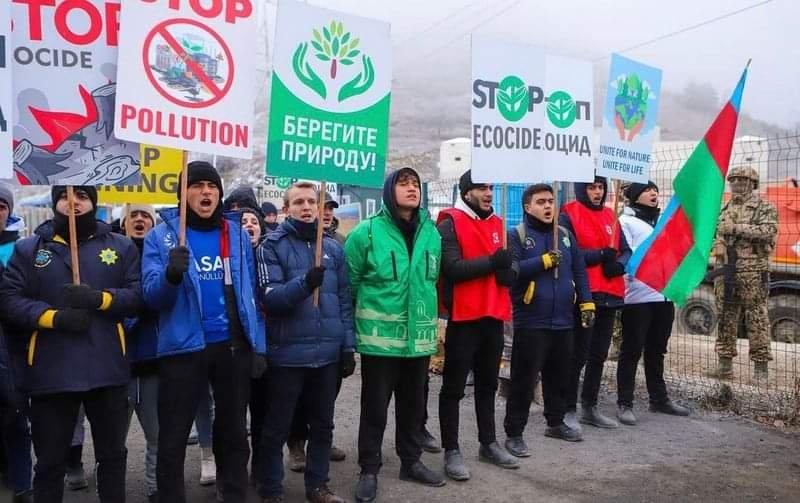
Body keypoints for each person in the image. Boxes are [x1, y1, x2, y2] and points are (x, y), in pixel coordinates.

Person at [0, 185, 142, 502]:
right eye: (65, 196)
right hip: (51, 372)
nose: (73, 202)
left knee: (113, 457)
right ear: (55, 203)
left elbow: (137, 295)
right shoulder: (28, 249)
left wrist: (100, 299)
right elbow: (9, 300)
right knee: (49, 463)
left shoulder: (120, 247)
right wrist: (53, 317)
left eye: (82, 196)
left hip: (107, 368)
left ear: (93, 202)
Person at [141, 161, 266, 503]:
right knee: (173, 436)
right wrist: (170, 275)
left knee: (234, 433)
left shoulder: (236, 234)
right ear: (182, 194)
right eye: (196, 186)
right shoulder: (161, 235)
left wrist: (259, 346)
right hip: (184, 348)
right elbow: (152, 297)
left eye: (212, 186)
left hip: (232, 348)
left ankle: (234, 492)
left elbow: (250, 294)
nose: (206, 192)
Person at [345, 168, 445, 503]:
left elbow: (432, 282)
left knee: (414, 406)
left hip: (418, 340)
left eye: (416, 184)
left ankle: (411, 461)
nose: (412, 189)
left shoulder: (432, 233)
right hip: (380, 341)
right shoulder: (366, 233)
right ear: (390, 191)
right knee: (374, 408)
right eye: (403, 184)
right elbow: (351, 285)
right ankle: (369, 469)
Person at [255, 181, 354, 503]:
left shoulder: (334, 248)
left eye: (312, 201)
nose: (307, 207)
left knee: (323, 427)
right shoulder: (271, 246)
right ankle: (271, 490)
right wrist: (303, 283)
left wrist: (347, 346)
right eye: (298, 202)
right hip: (287, 355)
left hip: (326, 355)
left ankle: (318, 487)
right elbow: (272, 299)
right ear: (286, 208)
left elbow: (343, 300)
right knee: (276, 429)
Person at [436, 170, 519, 481]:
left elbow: (506, 264)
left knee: (488, 384)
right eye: (482, 188)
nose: (488, 193)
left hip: (493, 316)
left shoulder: (497, 224)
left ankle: (489, 442)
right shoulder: (450, 223)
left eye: (491, 187)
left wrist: (508, 270)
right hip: (464, 319)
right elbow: (453, 269)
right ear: (466, 191)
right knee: (454, 388)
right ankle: (451, 450)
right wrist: (493, 263)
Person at [503, 184, 595, 456]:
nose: (547, 206)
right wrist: (543, 261)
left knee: (560, 377)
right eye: (541, 201)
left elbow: (579, 271)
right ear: (527, 207)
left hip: (564, 320)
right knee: (524, 379)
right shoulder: (517, 235)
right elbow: (512, 272)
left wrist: (587, 302)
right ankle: (514, 433)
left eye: (551, 201)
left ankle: (555, 422)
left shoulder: (564, 236)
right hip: (531, 321)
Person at [560, 175, 631, 431]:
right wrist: (599, 255)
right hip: (584, 295)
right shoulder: (569, 214)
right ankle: (567, 407)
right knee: (577, 354)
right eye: (592, 187)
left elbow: (625, 250)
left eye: (601, 187)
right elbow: (569, 251)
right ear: (581, 189)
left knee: (598, 355)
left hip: (610, 294)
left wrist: (618, 265)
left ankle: (589, 406)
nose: (598, 192)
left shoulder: (611, 216)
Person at [616, 182, 690, 425]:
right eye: (647, 190)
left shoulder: (662, 221)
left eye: (655, 190)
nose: (653, 194)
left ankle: (658, 398)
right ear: (636, 196)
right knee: (631, 349)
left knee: (657, 350)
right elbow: (628, 255)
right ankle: (624, 402)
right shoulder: (626, 222)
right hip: (638, 296)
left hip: (664, 294)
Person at [713, 166, 778, 380]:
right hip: (726, 270)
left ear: (753, 184)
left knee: (756, 318)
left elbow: (768, 231)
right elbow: (714, 232)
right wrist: (718, 242)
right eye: (734, 180)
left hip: (753, 270)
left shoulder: (764, 207)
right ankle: (724, 366)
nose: (738, 183)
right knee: (725, 317)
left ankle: (761, 370)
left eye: (743, 180)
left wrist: (735, 228)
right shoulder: (724, 208)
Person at [120, 204, 162, 502]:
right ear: (123, 224)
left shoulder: (160, 256)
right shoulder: (112, 258)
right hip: (115, 365)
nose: (139, 219)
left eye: (145, 215)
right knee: (112, 441)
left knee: (157, 436)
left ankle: (156, 489)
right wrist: (136, 311)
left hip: (153, 363)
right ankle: (111, 490)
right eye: (133, 215)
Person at [0, 185, 33, 503]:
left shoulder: (21, 250)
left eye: (1, 205)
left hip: (12, 345)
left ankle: (23, 483)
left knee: (15, 417)